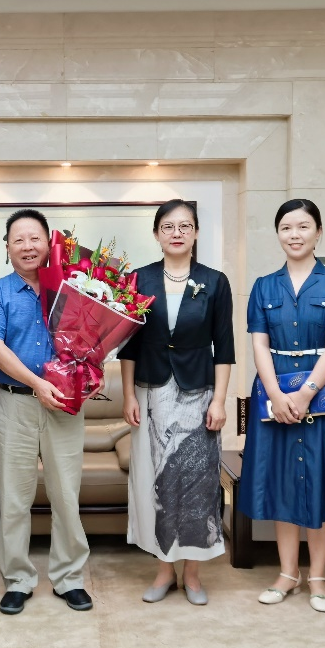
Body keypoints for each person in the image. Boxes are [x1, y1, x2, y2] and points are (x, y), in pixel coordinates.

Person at [239, 199, 325, 613]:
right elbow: (259, 344)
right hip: (273, 389)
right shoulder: (264, 286)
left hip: (324, 391)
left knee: (321, 475)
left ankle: (318, 576)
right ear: (278, 234)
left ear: (318, 232)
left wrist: (307, 391)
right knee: (282, 477)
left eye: (303, 226)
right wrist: (275, 394)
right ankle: (287, 573)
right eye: (286, 227)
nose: (294, 234)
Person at [119, 199, 234, 605]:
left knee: (198, 482)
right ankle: (164, 569)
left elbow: (224, 348)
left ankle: (194, 573)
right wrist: (128, 394)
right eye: (168, 226)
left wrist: (220, 401)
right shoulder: (138, 279)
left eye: (185, 226)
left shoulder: (214, 281)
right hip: (150, 391)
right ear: (156, 234)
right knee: (155, 479)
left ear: (197, 232)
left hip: (199, 393)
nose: (177, 233)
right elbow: (128, 345)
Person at [0, 209, 93, 615]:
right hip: (14, 403)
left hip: (64, 404)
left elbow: (94, 338)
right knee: (14, 497)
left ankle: (69, 578)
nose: (28, 246)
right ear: (7, 247)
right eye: (19, 240)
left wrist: (89, 373)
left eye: (35, 238)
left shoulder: (73, 288)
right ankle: (17, 579)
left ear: (49, 243)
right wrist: (38, 383)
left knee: (66, 496)